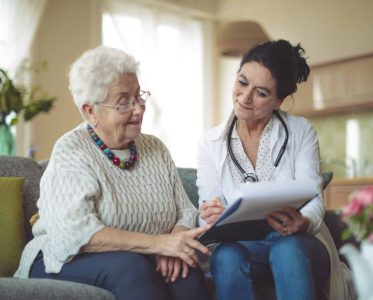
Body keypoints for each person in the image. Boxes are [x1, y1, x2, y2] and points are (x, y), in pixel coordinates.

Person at [14, 46, 211, 300]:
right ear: (90, 111)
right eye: (124, 102)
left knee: (185, 268)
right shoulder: (72, 150)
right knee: (131, 268)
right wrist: (157, 244)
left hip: (139, 254)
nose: (139, 109)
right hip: (61, 256)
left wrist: (172, 243)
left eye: (139, 96)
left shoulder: (155, 148)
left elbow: (185, 210)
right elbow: (76, 232)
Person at [197, 40, 353, 300]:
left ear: (279, 101)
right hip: (248, 244)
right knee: (225, 255)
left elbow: (313, 199)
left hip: (301, 243)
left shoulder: (301, 131)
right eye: (242, 82)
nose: (245, 98)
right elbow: (207, 210)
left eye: (261, 93)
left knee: (286, 250)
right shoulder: (209, 143)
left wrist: (302, 222)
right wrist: (210, 216)